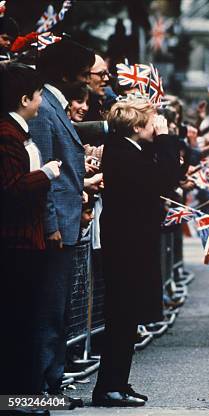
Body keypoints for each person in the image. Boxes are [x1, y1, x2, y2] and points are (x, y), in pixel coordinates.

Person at [92, 96, 184, 406]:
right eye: (151, 120)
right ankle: (108, 387)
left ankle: (118, 381)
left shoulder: (130, 150)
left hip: (132, 242)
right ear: (135, 126)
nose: (156, 125)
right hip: (126, 245)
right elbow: (166, 178)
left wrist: (163, 141)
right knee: (121, 317)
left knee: (127, 319)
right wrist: (167, 138)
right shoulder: (123, 153)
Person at [28, 38, 94, 408]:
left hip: (65, 223)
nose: (87, 80)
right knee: (48, 310)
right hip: (55, 228)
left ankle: (51, 382)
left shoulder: (53, 105)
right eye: (83, 73)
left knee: (58, 310)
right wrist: (51, 223)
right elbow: (44, 172)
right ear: (65, 73)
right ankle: (40, 388)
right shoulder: (45, 108)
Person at [0, 62, 61, 416]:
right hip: (16, 244)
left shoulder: (17, 133)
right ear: (24, 98)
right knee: (18, 325)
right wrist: (45, 174)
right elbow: (10, 189)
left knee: (26, 323)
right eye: (38, 95)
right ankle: (17, 400)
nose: (40, 102)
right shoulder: (7, 135)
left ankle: (23, 396)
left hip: (28, 242)